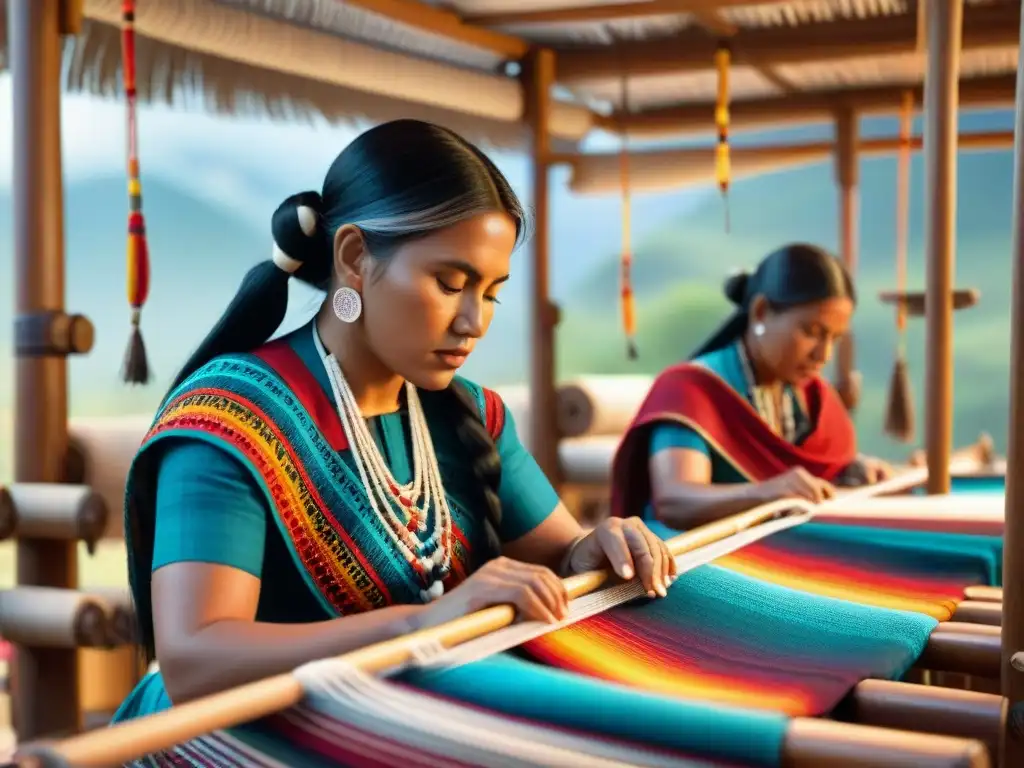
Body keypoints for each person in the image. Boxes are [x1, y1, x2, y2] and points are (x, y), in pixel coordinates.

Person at [112, 119, 677, 720]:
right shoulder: (231, 421)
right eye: (450, 282)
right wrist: (420, 624)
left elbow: (566, 554)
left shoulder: (471, 416)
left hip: (405, 731)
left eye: (490, 292)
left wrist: (602, 547)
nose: (474, 321)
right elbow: (194, 659)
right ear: (354, 258)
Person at [610, 243, 892, 531]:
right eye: (811, 332)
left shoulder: (813, 397)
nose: (824, 355)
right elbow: (675, 501)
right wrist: (766, 492)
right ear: (759, 312)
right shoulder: (689, 390)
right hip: (693, 562)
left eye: (835, 338)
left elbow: (813, 472)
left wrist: (846, 470)